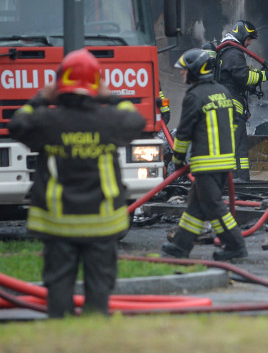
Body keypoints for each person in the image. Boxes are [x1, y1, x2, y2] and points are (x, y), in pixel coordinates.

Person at [9, 49, 145, 318]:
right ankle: (94, 328)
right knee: (100, 280)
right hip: (103, 220)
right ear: (96, 84)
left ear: (60, 84)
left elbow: (16, 124)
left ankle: (61, 327)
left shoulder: (46, 121)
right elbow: (137, 119)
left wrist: (40, 98)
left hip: (58, 220)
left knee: (59, 281)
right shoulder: (110, 120)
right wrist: (112, 97)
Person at [161, 48, 248, 261]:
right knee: (195, 207)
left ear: (193, 71)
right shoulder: (222, 91)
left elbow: (183, 133)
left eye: (184, 70)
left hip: (207, 163)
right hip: (224, 162)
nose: (182, 74)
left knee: (213, 206)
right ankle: (181, 246)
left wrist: (178, 159)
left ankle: (236, 245)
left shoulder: (194, 96)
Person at [216, 20, 268, 181]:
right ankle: (239, 181)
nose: (249, 43)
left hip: (228, 105)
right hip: (231, 106)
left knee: (236, 144)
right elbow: (244, 76)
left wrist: (256, 80)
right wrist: (266, 75)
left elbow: (236, 77)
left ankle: (238, 180)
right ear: (242, 34)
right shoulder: (232, 52)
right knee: (238, 145)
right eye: (248, 39)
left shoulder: (227, 50)